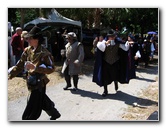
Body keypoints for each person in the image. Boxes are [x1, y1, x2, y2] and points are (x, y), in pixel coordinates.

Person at [8, 26, 61, 120]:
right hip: (31, 81)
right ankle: (54, 113)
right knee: (41, 100)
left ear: (37, 39)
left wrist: (35, 68)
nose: (28, 40)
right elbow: (20, 64)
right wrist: (11, 74)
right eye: (27, 38)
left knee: (32, 107)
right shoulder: (27, 50)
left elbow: (51, 68)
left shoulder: (44, 53)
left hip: (39, 83)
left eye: (30, 38)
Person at [93, 29, 131, 97]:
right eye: (110, 36)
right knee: (105, 77)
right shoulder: (104, 42)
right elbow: (99, 46)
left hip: (115, 62)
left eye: (113, 36)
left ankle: (115, 82)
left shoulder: (118, 43)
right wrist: (106, 43)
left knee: (115, 75)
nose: (112, 38)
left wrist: (128, 43)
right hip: (106, 62)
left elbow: (125, 48)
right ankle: (105, 91)